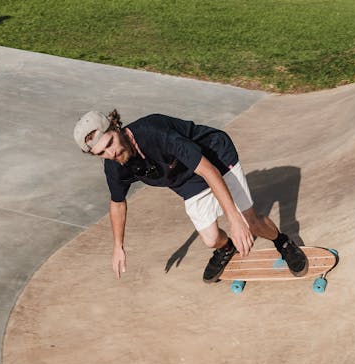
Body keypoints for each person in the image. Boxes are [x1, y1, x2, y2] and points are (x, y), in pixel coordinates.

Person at [73, 109, 308, 283]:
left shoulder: (154, 133)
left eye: (110, 143)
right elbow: (117, 204)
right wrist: (118, 246)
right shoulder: (114, 166)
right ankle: (226, 249)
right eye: (101, 153)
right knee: (211, 239)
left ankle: (283, 242)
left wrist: (235, 219)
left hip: (216, 159)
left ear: (116, 127)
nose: (111, 153)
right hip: (186, 181)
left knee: (249, 222)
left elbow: (208, 171)